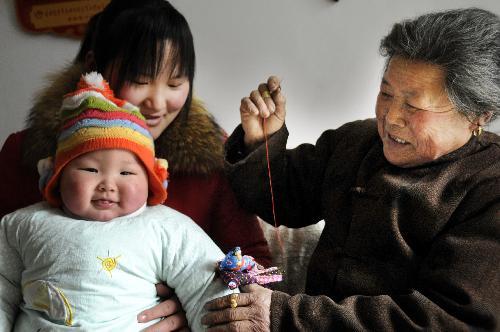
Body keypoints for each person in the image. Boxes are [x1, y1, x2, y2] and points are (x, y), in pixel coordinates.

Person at [202, 7, 500, 331]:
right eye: (386, 93)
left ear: (477, 115)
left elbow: (448, 319)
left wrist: (282, 316)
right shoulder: (357, 142)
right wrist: (260, 142)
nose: (391, 117)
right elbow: (281, 198)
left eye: (414, 106)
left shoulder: (489, 187)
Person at [0, 1, 270, 330]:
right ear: (94, 68)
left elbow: (257, 267)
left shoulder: (211, 158)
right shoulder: (25, 152)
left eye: (174, 83)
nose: (157, 103)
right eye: (141, 80)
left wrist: (190, 307)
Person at [0, 72, 236, 331]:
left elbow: (207, 283)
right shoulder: (23, 225)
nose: (108, 184)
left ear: (151, 182)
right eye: (90, 170)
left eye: (126, 173)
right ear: (58, 175)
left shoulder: (167, 228)